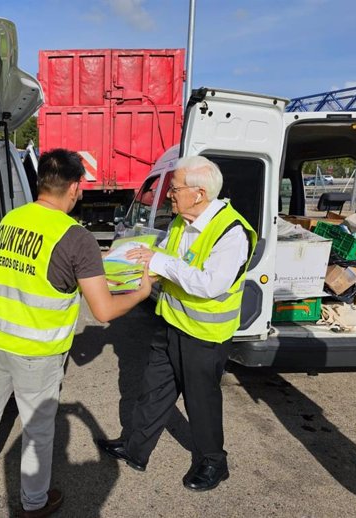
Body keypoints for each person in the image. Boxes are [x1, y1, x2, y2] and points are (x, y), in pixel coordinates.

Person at [0, 148, 153, 517]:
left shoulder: (13, 219)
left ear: (41, 183)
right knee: (37, 428)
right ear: (76, 187)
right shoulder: (76, 237)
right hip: (35, 350)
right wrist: (140, 292)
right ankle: (33, 502)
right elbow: (104, 309)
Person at [96, 155, 256, 492]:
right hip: (170, 323)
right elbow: (167, 258)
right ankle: (135, 449)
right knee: (153, 391)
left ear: (199, 193)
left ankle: (214, 461)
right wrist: (130, 269)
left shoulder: (231, 232)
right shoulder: (183, 221)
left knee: (201, 402)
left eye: (175, 188)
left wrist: (160, 262)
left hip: (204, 335)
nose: (169, 193)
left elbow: (210, 284)